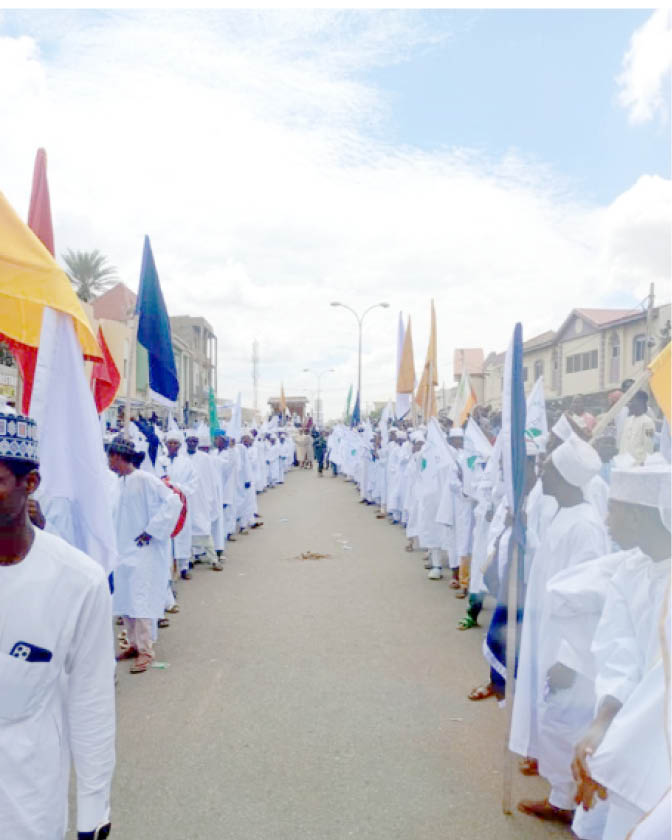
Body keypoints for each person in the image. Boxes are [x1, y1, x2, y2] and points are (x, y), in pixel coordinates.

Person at [0, 413, 115, 838]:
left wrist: (93, 810)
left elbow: (91, 702)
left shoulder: (78, 581)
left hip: (26, 800)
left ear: (31, 484)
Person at [512, 433, 610, 824]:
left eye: (549, 467)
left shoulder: (585, 527)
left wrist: (569, 658)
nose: (541, 471)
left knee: (562, 716)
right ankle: (561, 793)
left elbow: (589, 601)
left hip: (569, 644)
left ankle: (568, 803)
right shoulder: (563, 513)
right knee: (552, 714)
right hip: (548, 632)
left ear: (567, 478)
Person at [572, 463, 670, 840]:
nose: (606, 518)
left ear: (640, 514)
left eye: (613, 508)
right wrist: (602, 726)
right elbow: (620, 654)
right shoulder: (631, 571)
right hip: (631, 732)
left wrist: (615, 744)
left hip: (655, 741)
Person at [109, 436, 183, 673]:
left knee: (140, 600)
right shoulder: (117, 482)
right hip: (123, 550)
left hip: (144, 551)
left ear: (119, 457)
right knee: (126, 599)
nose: (108, 461)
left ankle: (146, 650)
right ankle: (133, 644)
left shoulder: (146, 480)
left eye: (110, 456)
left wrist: (152, 531)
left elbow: (174, 502)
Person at [619, 390, 655, 465]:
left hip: (639, 463)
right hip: (624, 462)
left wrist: (645, 462)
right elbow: (623, 442)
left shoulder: (648, 422)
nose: (630, 404)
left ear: (640, 403)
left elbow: (649, 444)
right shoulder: (628, 420)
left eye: (632, 402)